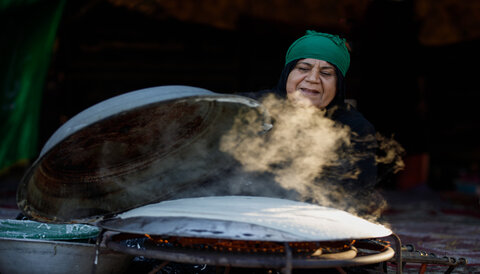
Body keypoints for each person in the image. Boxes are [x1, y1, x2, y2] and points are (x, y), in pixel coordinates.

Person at [243, 30, 378, 195]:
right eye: (303, 68)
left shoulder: (354, 129)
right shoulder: (249, 110)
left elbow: (356, 194)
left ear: (339, 85)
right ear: (287, 73)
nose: (313, 78)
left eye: (326, 73)